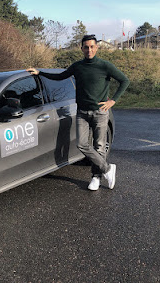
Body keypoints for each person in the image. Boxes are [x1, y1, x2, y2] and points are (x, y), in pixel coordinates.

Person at [27, 34, 130, 191]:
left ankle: (96, 177)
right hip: (82, 112)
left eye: (92, 47)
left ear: (97, 48)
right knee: (81, 144)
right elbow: (60, 76)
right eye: (86, 47)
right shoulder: (77, 66)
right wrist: (40, 73)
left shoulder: (105, 66)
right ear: (81, 48)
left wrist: (113, 100)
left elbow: (124, 81)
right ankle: (108, 168)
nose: (89, 50)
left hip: (100, 112)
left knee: (99, 146)